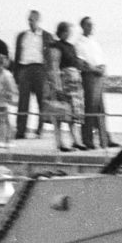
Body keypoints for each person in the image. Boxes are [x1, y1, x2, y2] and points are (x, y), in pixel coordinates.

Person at [43, 21, 85, 152]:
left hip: (73, 84)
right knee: (60, 113)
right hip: (63, 82)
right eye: (68, 30)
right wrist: (57, 86)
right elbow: (54, 66)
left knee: (73, 114)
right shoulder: (55, 46)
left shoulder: (70, 46)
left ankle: (76, 141)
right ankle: (61, 143)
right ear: (62, 32)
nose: (70, 33)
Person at [74, 16, 111, 148]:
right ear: (83, 26)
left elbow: (100, 58)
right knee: (90, 108)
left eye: (92, 25)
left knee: (101, 109)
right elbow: (81, 63)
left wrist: (102, 68)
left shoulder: (94, 41)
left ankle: (105, 139)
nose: (91, 27)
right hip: (89, 76)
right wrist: (95, 69)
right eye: (89, 25)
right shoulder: (79, 43)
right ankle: (87, 139)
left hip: (98, 76)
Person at [14, 10, 48, 139]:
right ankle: (20, 130)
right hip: (24, 69)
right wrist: (16, 75)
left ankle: (39, 130)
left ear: (38, 20)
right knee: (23, 102)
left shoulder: (46, 36)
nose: (30, 22)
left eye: (33, 19)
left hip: (39, 69)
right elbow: (17, 55)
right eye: (29, 19)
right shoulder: (22, 35)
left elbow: (49, 57)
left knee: (41, 102)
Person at [0, 53, 17, 148]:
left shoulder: (7, 75)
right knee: (0, 122)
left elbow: (12, 89)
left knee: (8, 122)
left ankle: (9, 140)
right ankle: (1, 139)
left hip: (6, 103)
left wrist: (10, 100)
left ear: (0, 64)